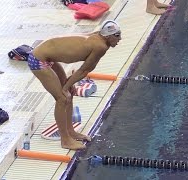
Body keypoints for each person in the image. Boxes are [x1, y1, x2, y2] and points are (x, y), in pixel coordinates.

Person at [28, 20, 122, 150]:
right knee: (62, 98)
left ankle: (70, 132)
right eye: (116, 36)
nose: (120, 39)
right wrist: (66, 86)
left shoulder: (99, 36)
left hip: (47, 55)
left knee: (69, 93)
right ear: (107, 36)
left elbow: (82, 70)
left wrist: (69, 84)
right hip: (38, 60)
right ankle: (65, 140)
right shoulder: (100, 46)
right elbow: (84, 70)